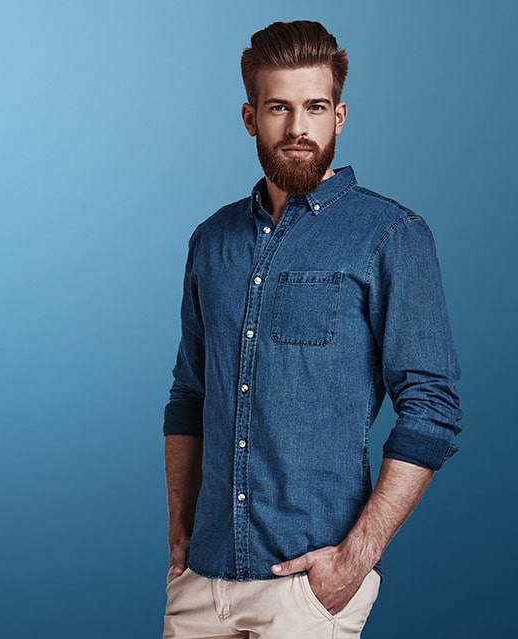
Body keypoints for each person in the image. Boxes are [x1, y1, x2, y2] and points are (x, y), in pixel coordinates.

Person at [162, 20, 462, 639]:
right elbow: (190, 395)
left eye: (316, 107)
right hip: (201, 582)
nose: (298, 127)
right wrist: (179, 532)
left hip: (308, 590)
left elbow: (431, 408)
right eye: (279, 107)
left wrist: (355, 560)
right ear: (250, 118)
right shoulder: (211, 240)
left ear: (339, 116)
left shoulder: (390, 236)